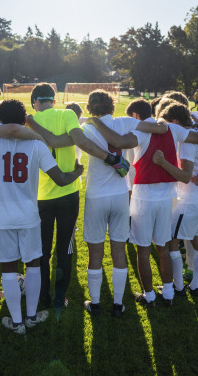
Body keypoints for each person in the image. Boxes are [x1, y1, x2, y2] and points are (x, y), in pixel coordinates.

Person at [0, 99, 84, 334]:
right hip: (29, 216)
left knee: (9, 271)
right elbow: (61, 180)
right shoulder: (37, 145)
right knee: (33, 266)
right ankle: (31, 317)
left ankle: (17, 322)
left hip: (1, 217)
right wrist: (77, 171)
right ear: (25, 121)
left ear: (0, 120)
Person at [86, 97, 198, 307]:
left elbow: (118, 142)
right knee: (163, 248)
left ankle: (149, 295)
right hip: (167, 198)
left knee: (143, 250)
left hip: (143, 198)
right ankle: (169, 293)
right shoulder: (173, 129)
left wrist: (96, 122)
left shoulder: (141, 131)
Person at [23, 83, 130, 311]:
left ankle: (42, 298)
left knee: (41, 249)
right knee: (65, 248)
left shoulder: (27, 121)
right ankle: (60, 298)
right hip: (69, 192)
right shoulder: (68, 114)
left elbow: (53, 142)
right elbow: (78, 141)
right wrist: (110, 159)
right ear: (54, 100)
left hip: (40, 195)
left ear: (35, 102)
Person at [79, 90, 171, 316]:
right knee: (119, 250)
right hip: (121, 194)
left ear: (90, 108)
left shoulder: (85, 127)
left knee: (95, 252)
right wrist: (160, 119)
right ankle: (118, 304)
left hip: (97, 195)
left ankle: (97, 302)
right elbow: (161, 128)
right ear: (112, 105)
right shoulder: (125, 121)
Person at [153, 103, 198, 297]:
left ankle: (178, 288)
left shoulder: (187, 141)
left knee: (171, 242)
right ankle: (195, 287)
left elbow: (186, 176)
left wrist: (162, 163)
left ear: (176, 122)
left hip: (190, 200)